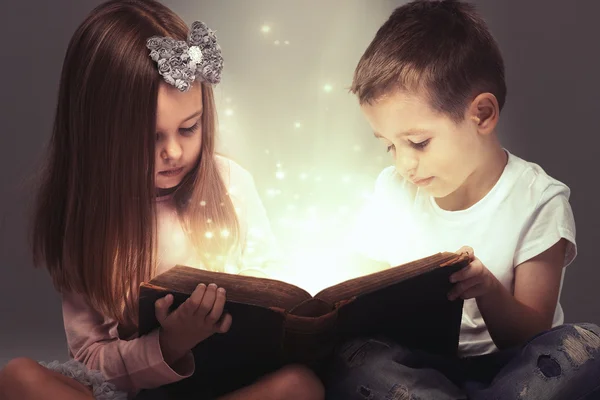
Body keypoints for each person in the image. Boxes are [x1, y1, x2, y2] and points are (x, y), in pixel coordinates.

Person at [0, 1, 324, 399]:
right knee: (19, 377)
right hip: (135, 389)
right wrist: (170, 344)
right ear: (97, 133)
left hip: (228, 385)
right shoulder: (88, 218)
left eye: (189, 129)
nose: (173, 152)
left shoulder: (231, 183)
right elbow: (90, 359)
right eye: (151, 137)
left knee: (299, 386)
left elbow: (273, 291)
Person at [325, 1, 600, 399]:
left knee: (584, 347)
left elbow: (533, 336)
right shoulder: (393, 191)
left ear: (483, 115)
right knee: (357, 360)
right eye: (389, 147)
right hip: (418, 369)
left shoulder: (538, 198)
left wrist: (487, 289)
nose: (404, 164)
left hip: (515, 370)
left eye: (418, 143)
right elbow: (364, 296)